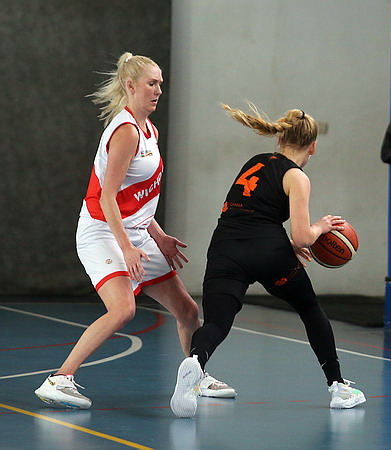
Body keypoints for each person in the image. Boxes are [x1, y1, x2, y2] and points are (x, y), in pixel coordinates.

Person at [34, 52, 235, 409]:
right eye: (151, 83)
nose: (159, 90)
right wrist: (126, 247)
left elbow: (138, 199)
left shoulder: (149, 130)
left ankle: (197, 376)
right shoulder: (126, 132)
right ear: (130, 85)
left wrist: (159, 236)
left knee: (188, 311)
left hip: (136, 233)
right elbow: (108, 197)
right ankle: (59, 379)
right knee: (123, 309)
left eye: (160, 83)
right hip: (102, 231)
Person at [170, 103, 366, 418]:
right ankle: (338, 387)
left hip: (224, 248)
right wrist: (320, 227)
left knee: (217, 322)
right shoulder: (297, 177)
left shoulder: (255, 161)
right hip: (268, 253)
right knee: (309, 308)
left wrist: (281, 241)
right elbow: (303, 237)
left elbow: (249, 215)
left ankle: (195, 362)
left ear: (279, 139)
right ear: (313, 147)